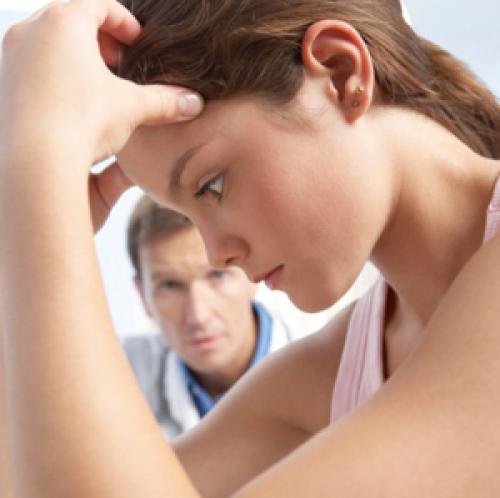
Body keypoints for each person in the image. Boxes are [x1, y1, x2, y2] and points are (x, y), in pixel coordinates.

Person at [0, 0, 499, 497]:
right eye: (187, 216)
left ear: (341, 73)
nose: (216, 254)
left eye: (212, 186)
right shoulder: (329, 375)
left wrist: (40, 172)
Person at [123, 195, 295, 438]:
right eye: (170, 285)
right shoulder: (120, 374)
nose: (199, 316)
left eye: (218, 276)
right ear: (143, 295)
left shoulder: (329, 369)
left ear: (253, 271)